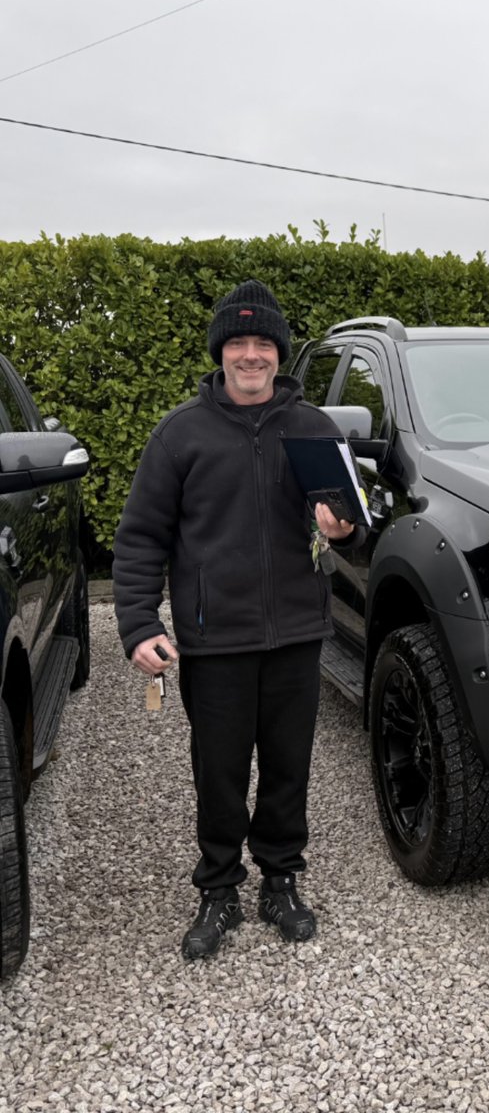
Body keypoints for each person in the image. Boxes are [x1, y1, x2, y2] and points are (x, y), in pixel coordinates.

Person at [113, 278, 358, 960]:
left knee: (287, 766)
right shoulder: (179, 435)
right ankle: (219, 886)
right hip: (214, 637)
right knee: (218, 771)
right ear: (220, 353)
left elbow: (355, 525)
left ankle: (280, 879)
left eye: (263, 343)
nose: (251, 355)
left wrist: (342, 531)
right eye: (238, 343)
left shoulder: (315, 429)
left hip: (296, 634)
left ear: (279, 353)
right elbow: (140, 539)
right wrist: (139, 624)